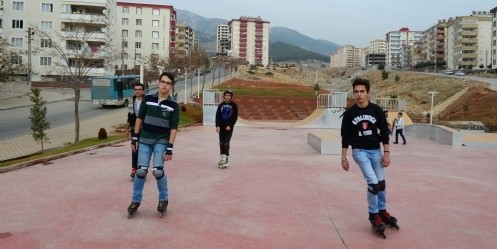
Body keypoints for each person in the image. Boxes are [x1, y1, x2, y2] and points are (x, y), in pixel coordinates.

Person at [340, 78, 398, 234]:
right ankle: (373, 215)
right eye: (356, 92)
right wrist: (344, 158)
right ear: (353, 93)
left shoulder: (376, 110)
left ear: (368, 93)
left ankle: (382, 211)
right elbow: (345, 137)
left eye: (362, 91)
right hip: (359, 151)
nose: (359, 94)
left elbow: (384, 132)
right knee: (373, 183)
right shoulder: (349, 114)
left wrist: (386, 153)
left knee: (382, 183)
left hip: (375, 151)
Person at [127, 72, 180, 218]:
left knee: (158, 172)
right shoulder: (148, 99)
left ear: (171, 85)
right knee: (141, 171)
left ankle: (163, 199)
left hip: (161, 141)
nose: (164, 84)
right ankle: (135, 201)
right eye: (162, 81)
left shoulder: (174, 105)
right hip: (144, 140)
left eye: (168, 82)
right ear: (158, 82)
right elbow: (139, 118)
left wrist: (170, 147)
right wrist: (135, 138)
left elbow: (174, 128)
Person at [215, 89, 238, 168]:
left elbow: (235, 117)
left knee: (226, 143)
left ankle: (225, 158)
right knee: (221, 143)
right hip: (221, 127)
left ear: (231, 97)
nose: (227, 97)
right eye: (226, 95)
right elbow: (217, 116)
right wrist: (217, 126)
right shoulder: (221, 105)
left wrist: (230, 125)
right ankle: (222, 158)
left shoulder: (234, 105)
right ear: (224, 96)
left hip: (229, 128)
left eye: (229, 95)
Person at [126, 82, 145, 179]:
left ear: (143, 91)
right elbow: (130, 115)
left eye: (139, 89)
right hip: (134, 129)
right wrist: (127, 128)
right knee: (134, 149)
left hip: (145, 129)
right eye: (136, 89)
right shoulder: (131, 101)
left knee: (144, 149)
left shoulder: (146, 100)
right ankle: (134, 168)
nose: (137, 91)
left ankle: (142, 168)